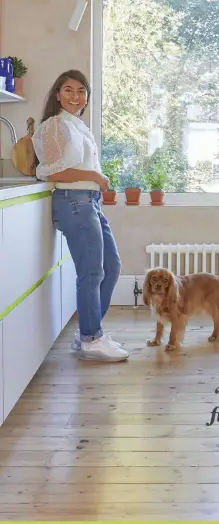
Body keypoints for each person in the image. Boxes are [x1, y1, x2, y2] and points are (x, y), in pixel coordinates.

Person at [32, 70, 130, 362]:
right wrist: (94, 175)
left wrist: (95, 181)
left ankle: (89, 332)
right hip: (74, 202)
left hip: (89, 201)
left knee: (111, 266)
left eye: (81, 91)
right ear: (57, 94)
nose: (76, 96)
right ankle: (90, 338)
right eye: (68, 90)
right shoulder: (55, 125)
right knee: (91, 272)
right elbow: (51, 171)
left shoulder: (76, 125)